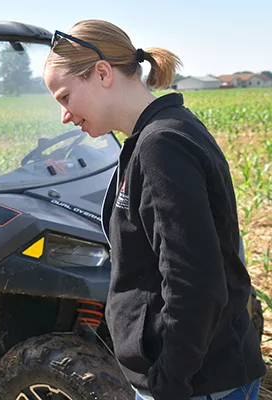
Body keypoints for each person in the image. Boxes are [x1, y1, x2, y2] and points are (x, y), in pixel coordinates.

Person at [43, 20, 266, 400]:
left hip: (197, 385)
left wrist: (170, 383)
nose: (65, 115)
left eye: (65, 97)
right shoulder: (159, 134)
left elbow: (194, 281)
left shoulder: (162, 145)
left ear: (101, 73)